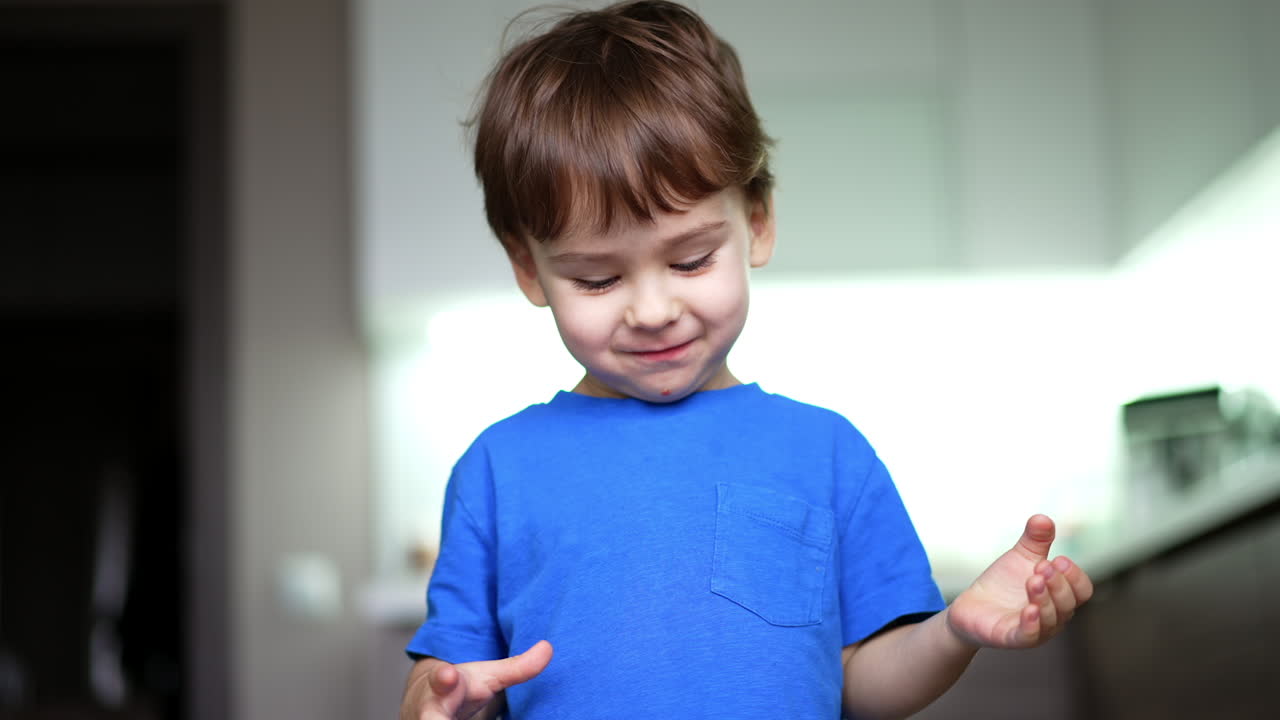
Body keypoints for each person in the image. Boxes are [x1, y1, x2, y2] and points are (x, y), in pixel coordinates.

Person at [400, 2, 1094, 718]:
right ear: (528, 269)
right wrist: (441, 701)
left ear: (756, 223)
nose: (652, 309)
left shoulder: (825, 453)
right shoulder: (495, 470)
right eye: (597, 279)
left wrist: (953, 630)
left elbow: (861, 683)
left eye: (692, 259)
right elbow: (442, 671)